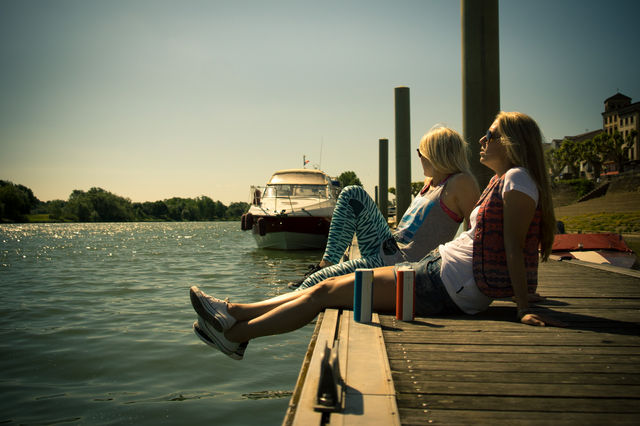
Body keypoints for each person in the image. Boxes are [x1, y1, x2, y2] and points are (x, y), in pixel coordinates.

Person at [189, 111, 565, 360]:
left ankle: (237, 331)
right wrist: (523, 293)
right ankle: (234, 318)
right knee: (323, 288)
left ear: (512, 141)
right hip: (435, 273)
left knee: (323, 290)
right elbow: (499, 243)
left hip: (442, 282)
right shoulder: (506, 180)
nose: (482, 139)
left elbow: (515, 246)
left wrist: (524, 306)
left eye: (492, 134)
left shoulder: (511, 179)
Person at [290, 125, 480, 290]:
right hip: (386, 245)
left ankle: (289, 305)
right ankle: (326, 263)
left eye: (421, 152)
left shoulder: (460, 183)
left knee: (315, 283)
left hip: (398, 263)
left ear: (435, 155)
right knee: (352, 193)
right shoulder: (430, 183)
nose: (419, 157)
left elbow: (477, 235)